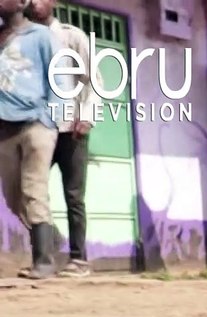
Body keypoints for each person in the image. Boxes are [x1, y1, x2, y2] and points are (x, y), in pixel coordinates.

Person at [28, 0, 97, 277]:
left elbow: (93, 80)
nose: (34, 2)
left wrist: (88, 116)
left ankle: (79, 260)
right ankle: (42, 259)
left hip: (71, 128)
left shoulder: (72, 36)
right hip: (37, 129)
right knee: (31, 194)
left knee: (73, 196)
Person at [0, 0, 62, 279]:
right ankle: (48, 239)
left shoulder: (41, 36)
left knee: (34, 188)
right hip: (4, 128)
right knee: (14, 198)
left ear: (22, 3)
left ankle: (44, 262)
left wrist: (51, 119)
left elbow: (59, 78)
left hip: (36, 122)